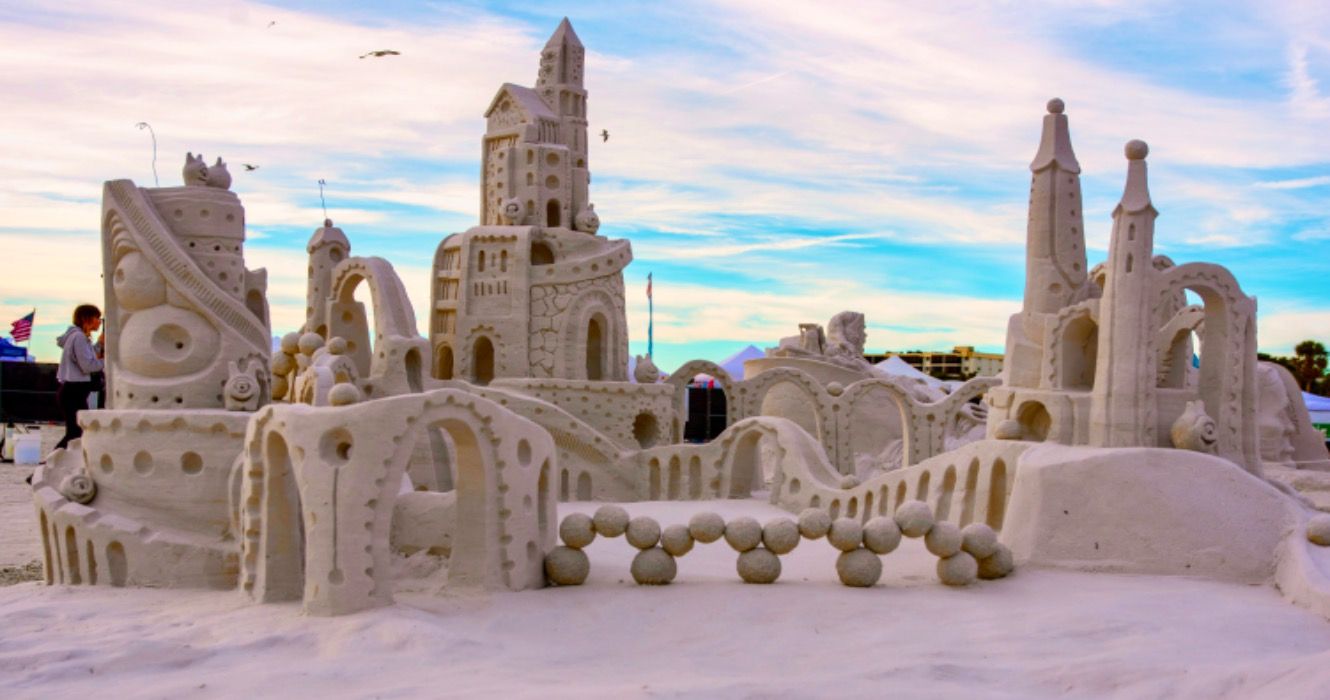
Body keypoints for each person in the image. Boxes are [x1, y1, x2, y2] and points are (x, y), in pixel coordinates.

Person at [54, 304, 104, 450]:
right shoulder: (79, 337)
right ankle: (49, 463)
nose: (99, 321)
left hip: (74, 393)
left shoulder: (79, 337)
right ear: (86, 318)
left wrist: (100, 344)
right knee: (76, 432)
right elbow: (88, 366)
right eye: (97, 317)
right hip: (73, 393)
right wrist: (107, 361)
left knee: (77, 431)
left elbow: (89, 357)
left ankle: (51, 463)